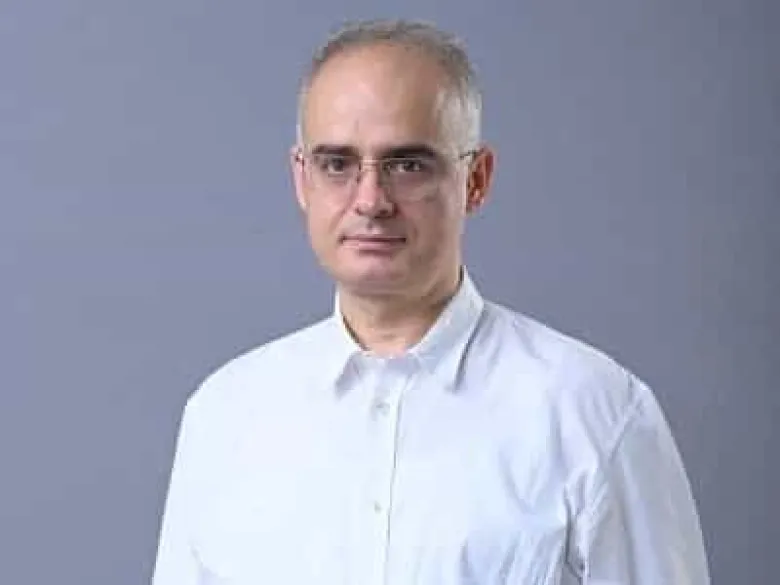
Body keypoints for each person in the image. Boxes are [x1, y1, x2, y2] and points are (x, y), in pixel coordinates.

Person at [151, 18, 711, 585]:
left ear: (476, 179)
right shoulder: (224, 416)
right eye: (338, 164)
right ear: (302, 179)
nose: (371, 200)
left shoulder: (595, 415)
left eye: (407, 165)